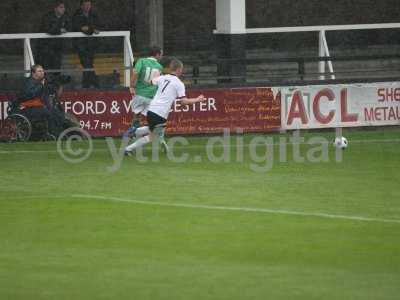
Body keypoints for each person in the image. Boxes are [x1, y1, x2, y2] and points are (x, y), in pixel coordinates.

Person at [124, 58, 206, 155]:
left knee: (153, 129)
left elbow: (150, 82)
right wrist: (198, 100)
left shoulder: (162, 78)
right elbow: (183, 102)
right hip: (160, 112)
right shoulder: (179, 84)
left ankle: (134, 131)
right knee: (153, 136)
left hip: (151, 108)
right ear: (179, 69)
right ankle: (129, 148)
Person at [123, 46, 167, 149]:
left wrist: (131, 85)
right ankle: (160, 138)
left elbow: (136, 73)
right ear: (157, 54)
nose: (161, 56)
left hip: (139, 94)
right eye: (161, 54)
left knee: (137, 116)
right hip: (151, 97)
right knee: (154, 120)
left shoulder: (141, 61)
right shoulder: (159, 66)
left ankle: (132, 134)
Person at [15, 64, 59, 137]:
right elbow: (29, 95)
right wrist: (41, 85)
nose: (42, 72)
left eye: (42, 71)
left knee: (56, 112)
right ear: (33, 73)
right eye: (39, 71)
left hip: (36, 106)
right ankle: (52, 133)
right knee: (48, 112)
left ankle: (58, 132)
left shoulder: (40, 82)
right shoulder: (29, 82)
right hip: (26, 108)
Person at [37, 1, 70, 80]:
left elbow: (70, 27)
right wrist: (59, 30)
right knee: (46, 69)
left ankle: (55, 87)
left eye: (64, 7)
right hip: (46, 48)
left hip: (58, 48)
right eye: (61, 7)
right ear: (55, 8)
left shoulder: (66, 17)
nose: (63, 9)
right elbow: (48, 29)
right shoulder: (47, 17)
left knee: (57, 69)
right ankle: (45, 87)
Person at [72, 0, 101, 88]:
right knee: (87, 64)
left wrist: (89, 28)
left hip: (91, 45)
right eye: (86, 5)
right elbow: (78, 27)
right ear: (81, 6)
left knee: (88, 64)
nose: (88, 7)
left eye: (89, 5)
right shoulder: (77, 15)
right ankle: (95, 83)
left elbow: (99, 25)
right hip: (81, 45)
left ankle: (86, 85)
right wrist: (91, 30)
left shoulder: (94, 14)